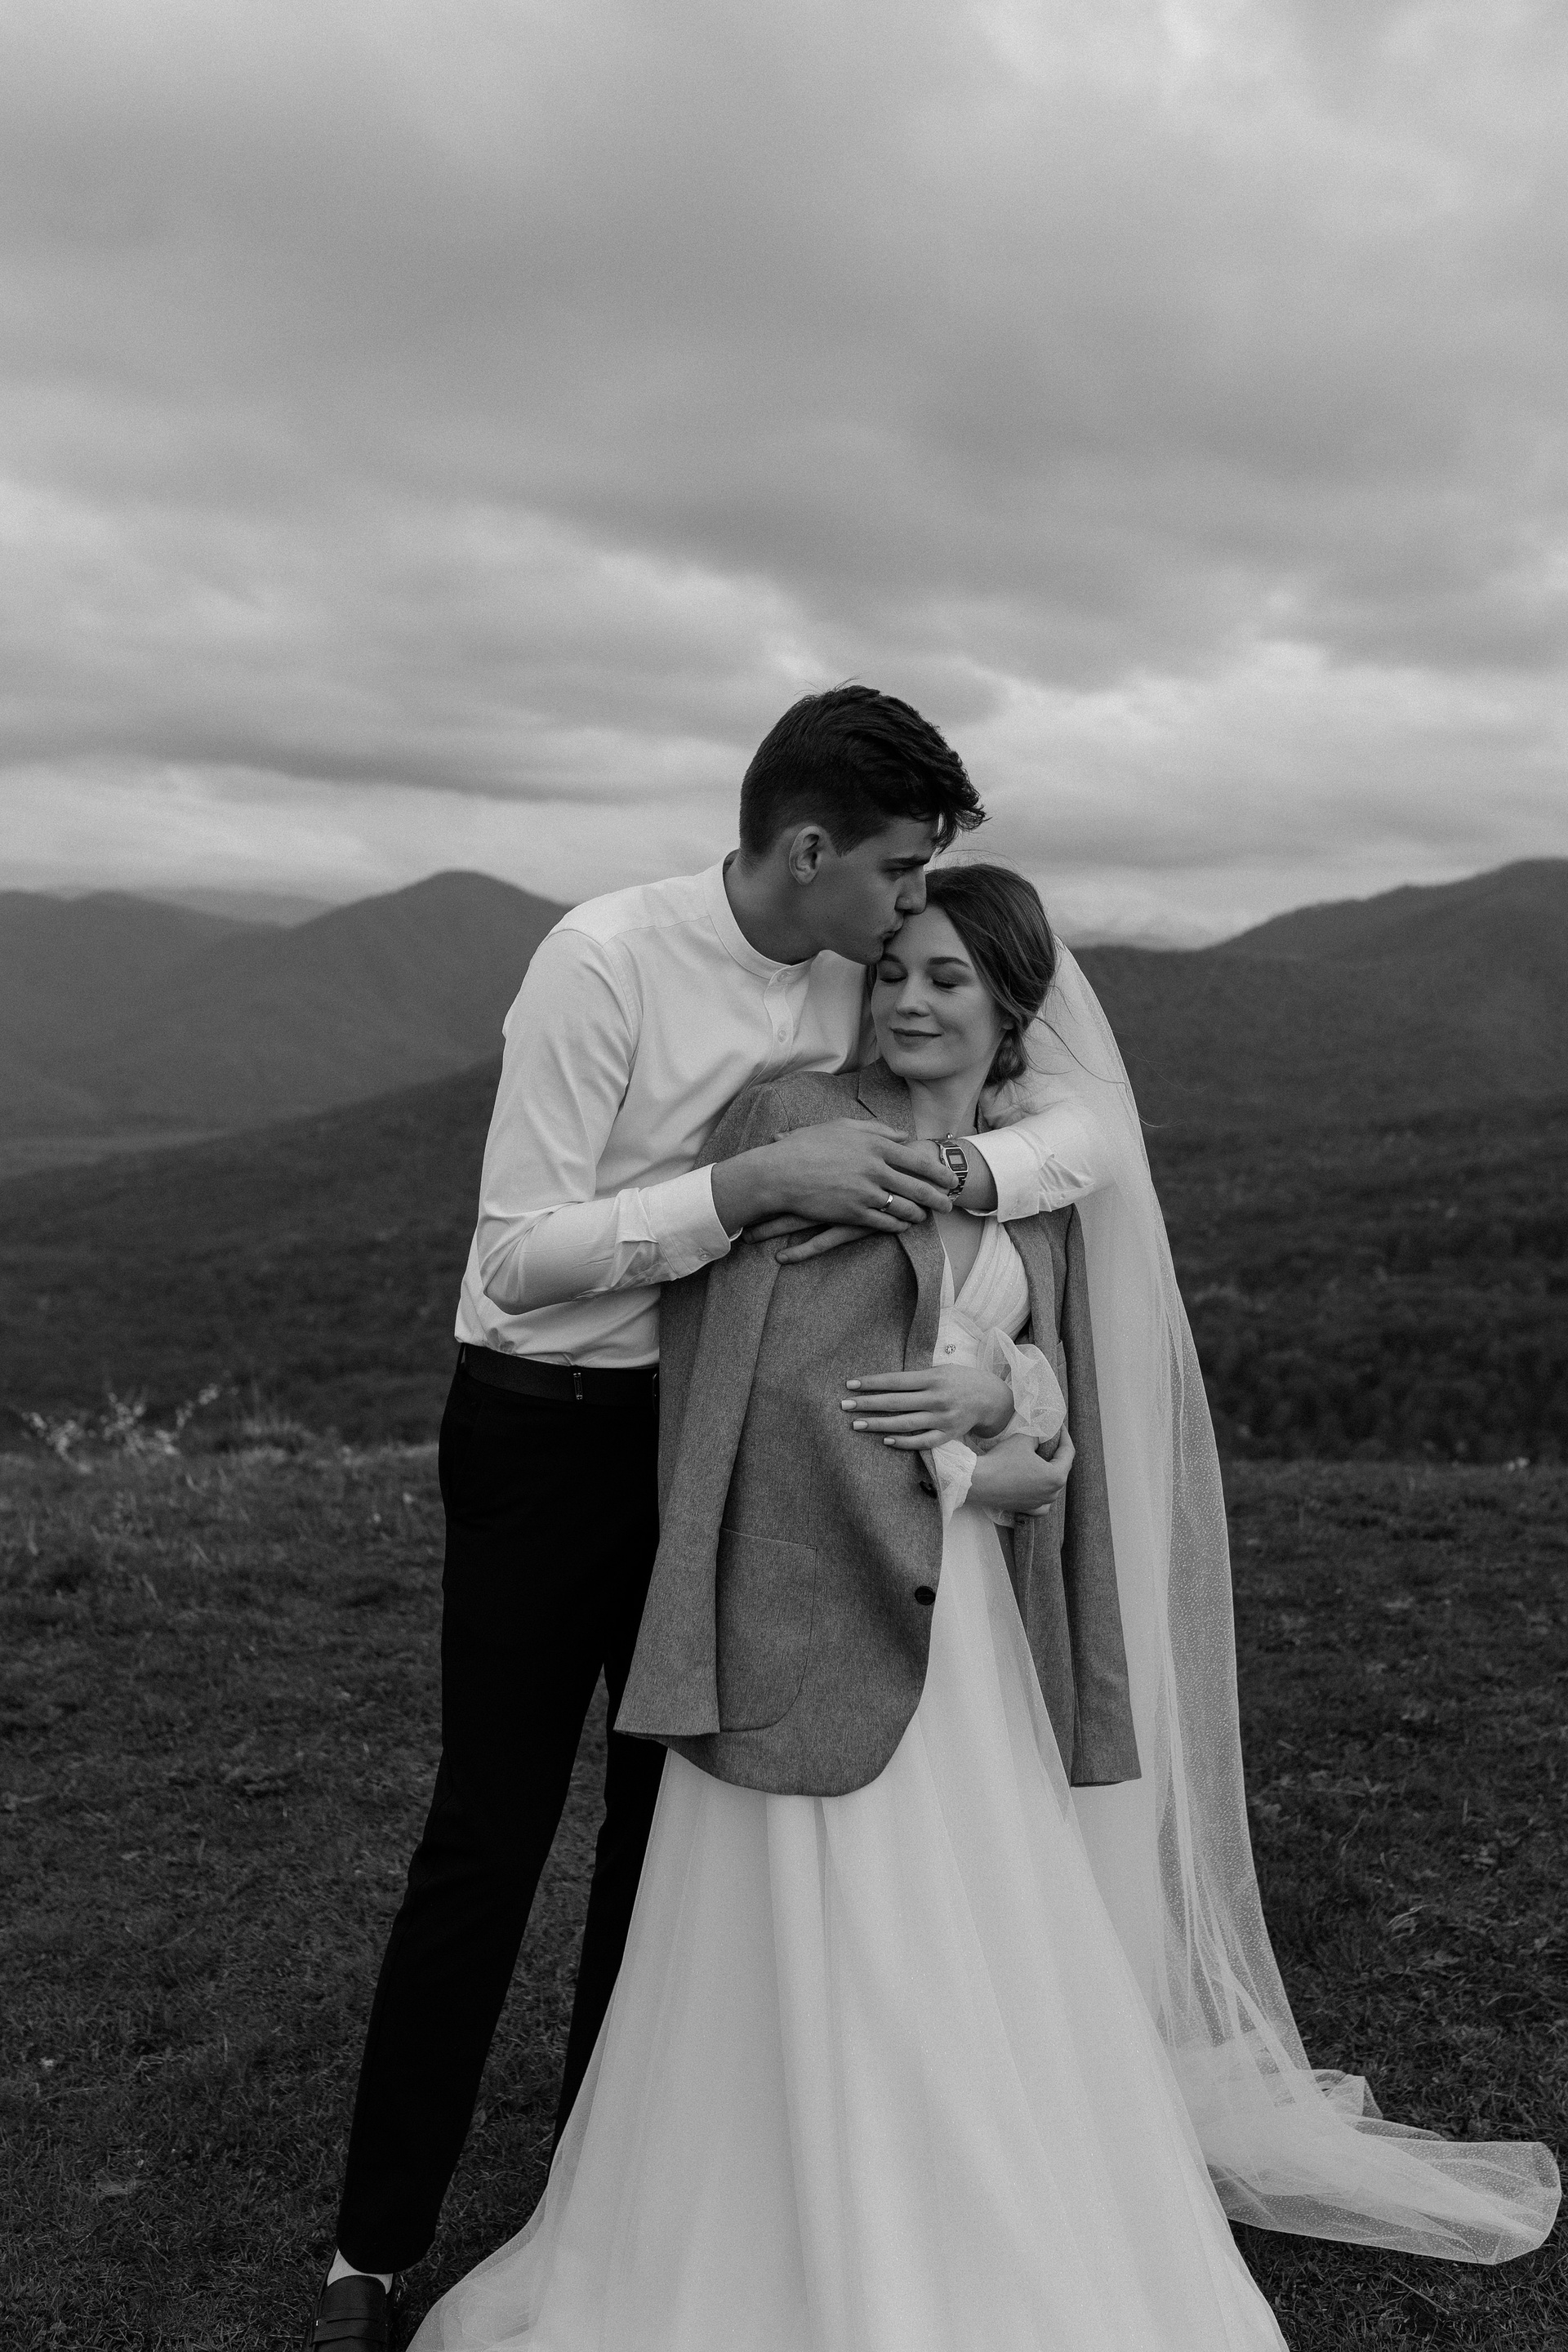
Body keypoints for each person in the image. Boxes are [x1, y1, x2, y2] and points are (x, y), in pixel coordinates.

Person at [408, 865, 1559, 2351]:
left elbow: (1050, 1375)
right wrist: (973, 1463)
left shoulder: (1035, 1176)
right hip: (804, 1605)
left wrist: (1014, 1411)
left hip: (968, 1637)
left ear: (1014, 1009)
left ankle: (969, 2199)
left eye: (947, 978)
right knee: (801, 1930)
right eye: (894, 972)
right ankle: (777, 2227)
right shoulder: (793, 1124)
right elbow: (769, 1391)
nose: (908, 1000)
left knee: (970, 1926)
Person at [305, 688, 1102, 2352]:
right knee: (491, 1830)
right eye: (895, 872)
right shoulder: (602, 962)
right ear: (808, 851)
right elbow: (513, 1259)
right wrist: (743, 1192)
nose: (910, 911)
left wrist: (978, 1197)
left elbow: (1074, 1120)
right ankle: (374, 2248)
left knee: (669, 1817)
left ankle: (611, 2193)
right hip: (547, 1429)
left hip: (723, 1445)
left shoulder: (856, 967)